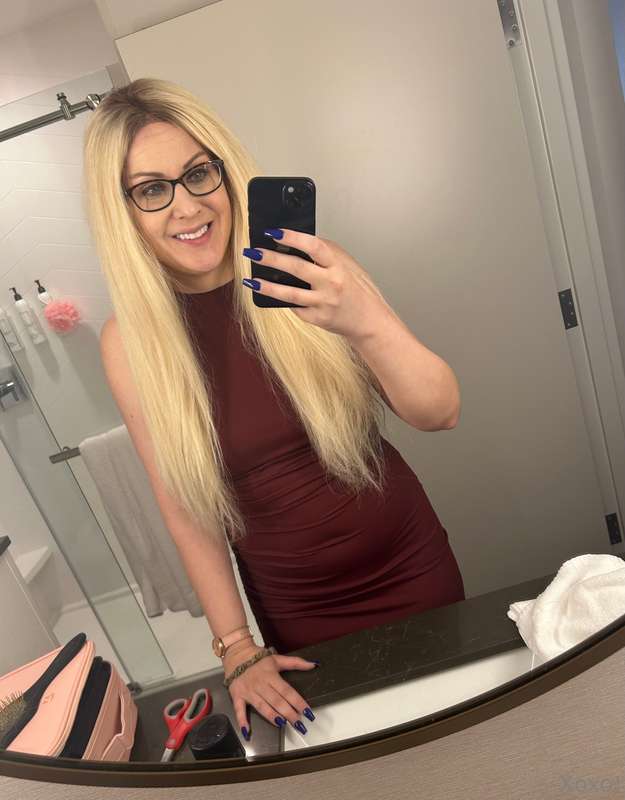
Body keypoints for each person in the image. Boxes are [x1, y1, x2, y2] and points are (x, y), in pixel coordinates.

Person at [84, 78, 465, 743]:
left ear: (225, 172)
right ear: (124, 213)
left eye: (198, 173)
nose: (187, 206)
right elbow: (186, 510)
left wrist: (365, 320)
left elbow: (440, 411)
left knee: (462, 734)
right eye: (151, 189)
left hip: (412, 565)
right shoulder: (129, 344)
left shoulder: (310, 268)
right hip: (298, 609)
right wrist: (237, 647)